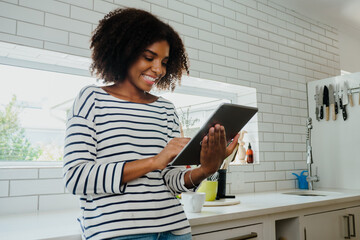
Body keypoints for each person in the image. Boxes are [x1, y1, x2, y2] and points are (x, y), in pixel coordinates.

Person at [63, 8, 239, 240]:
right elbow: (76, 177)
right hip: (118, 233)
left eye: (164, 62)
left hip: (174, 231)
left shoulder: (165, 109)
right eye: (149, 57)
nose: (159, 69)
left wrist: (206, 169)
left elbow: (171, 181)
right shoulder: (91, 100)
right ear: (124, 51)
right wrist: (154, 161)